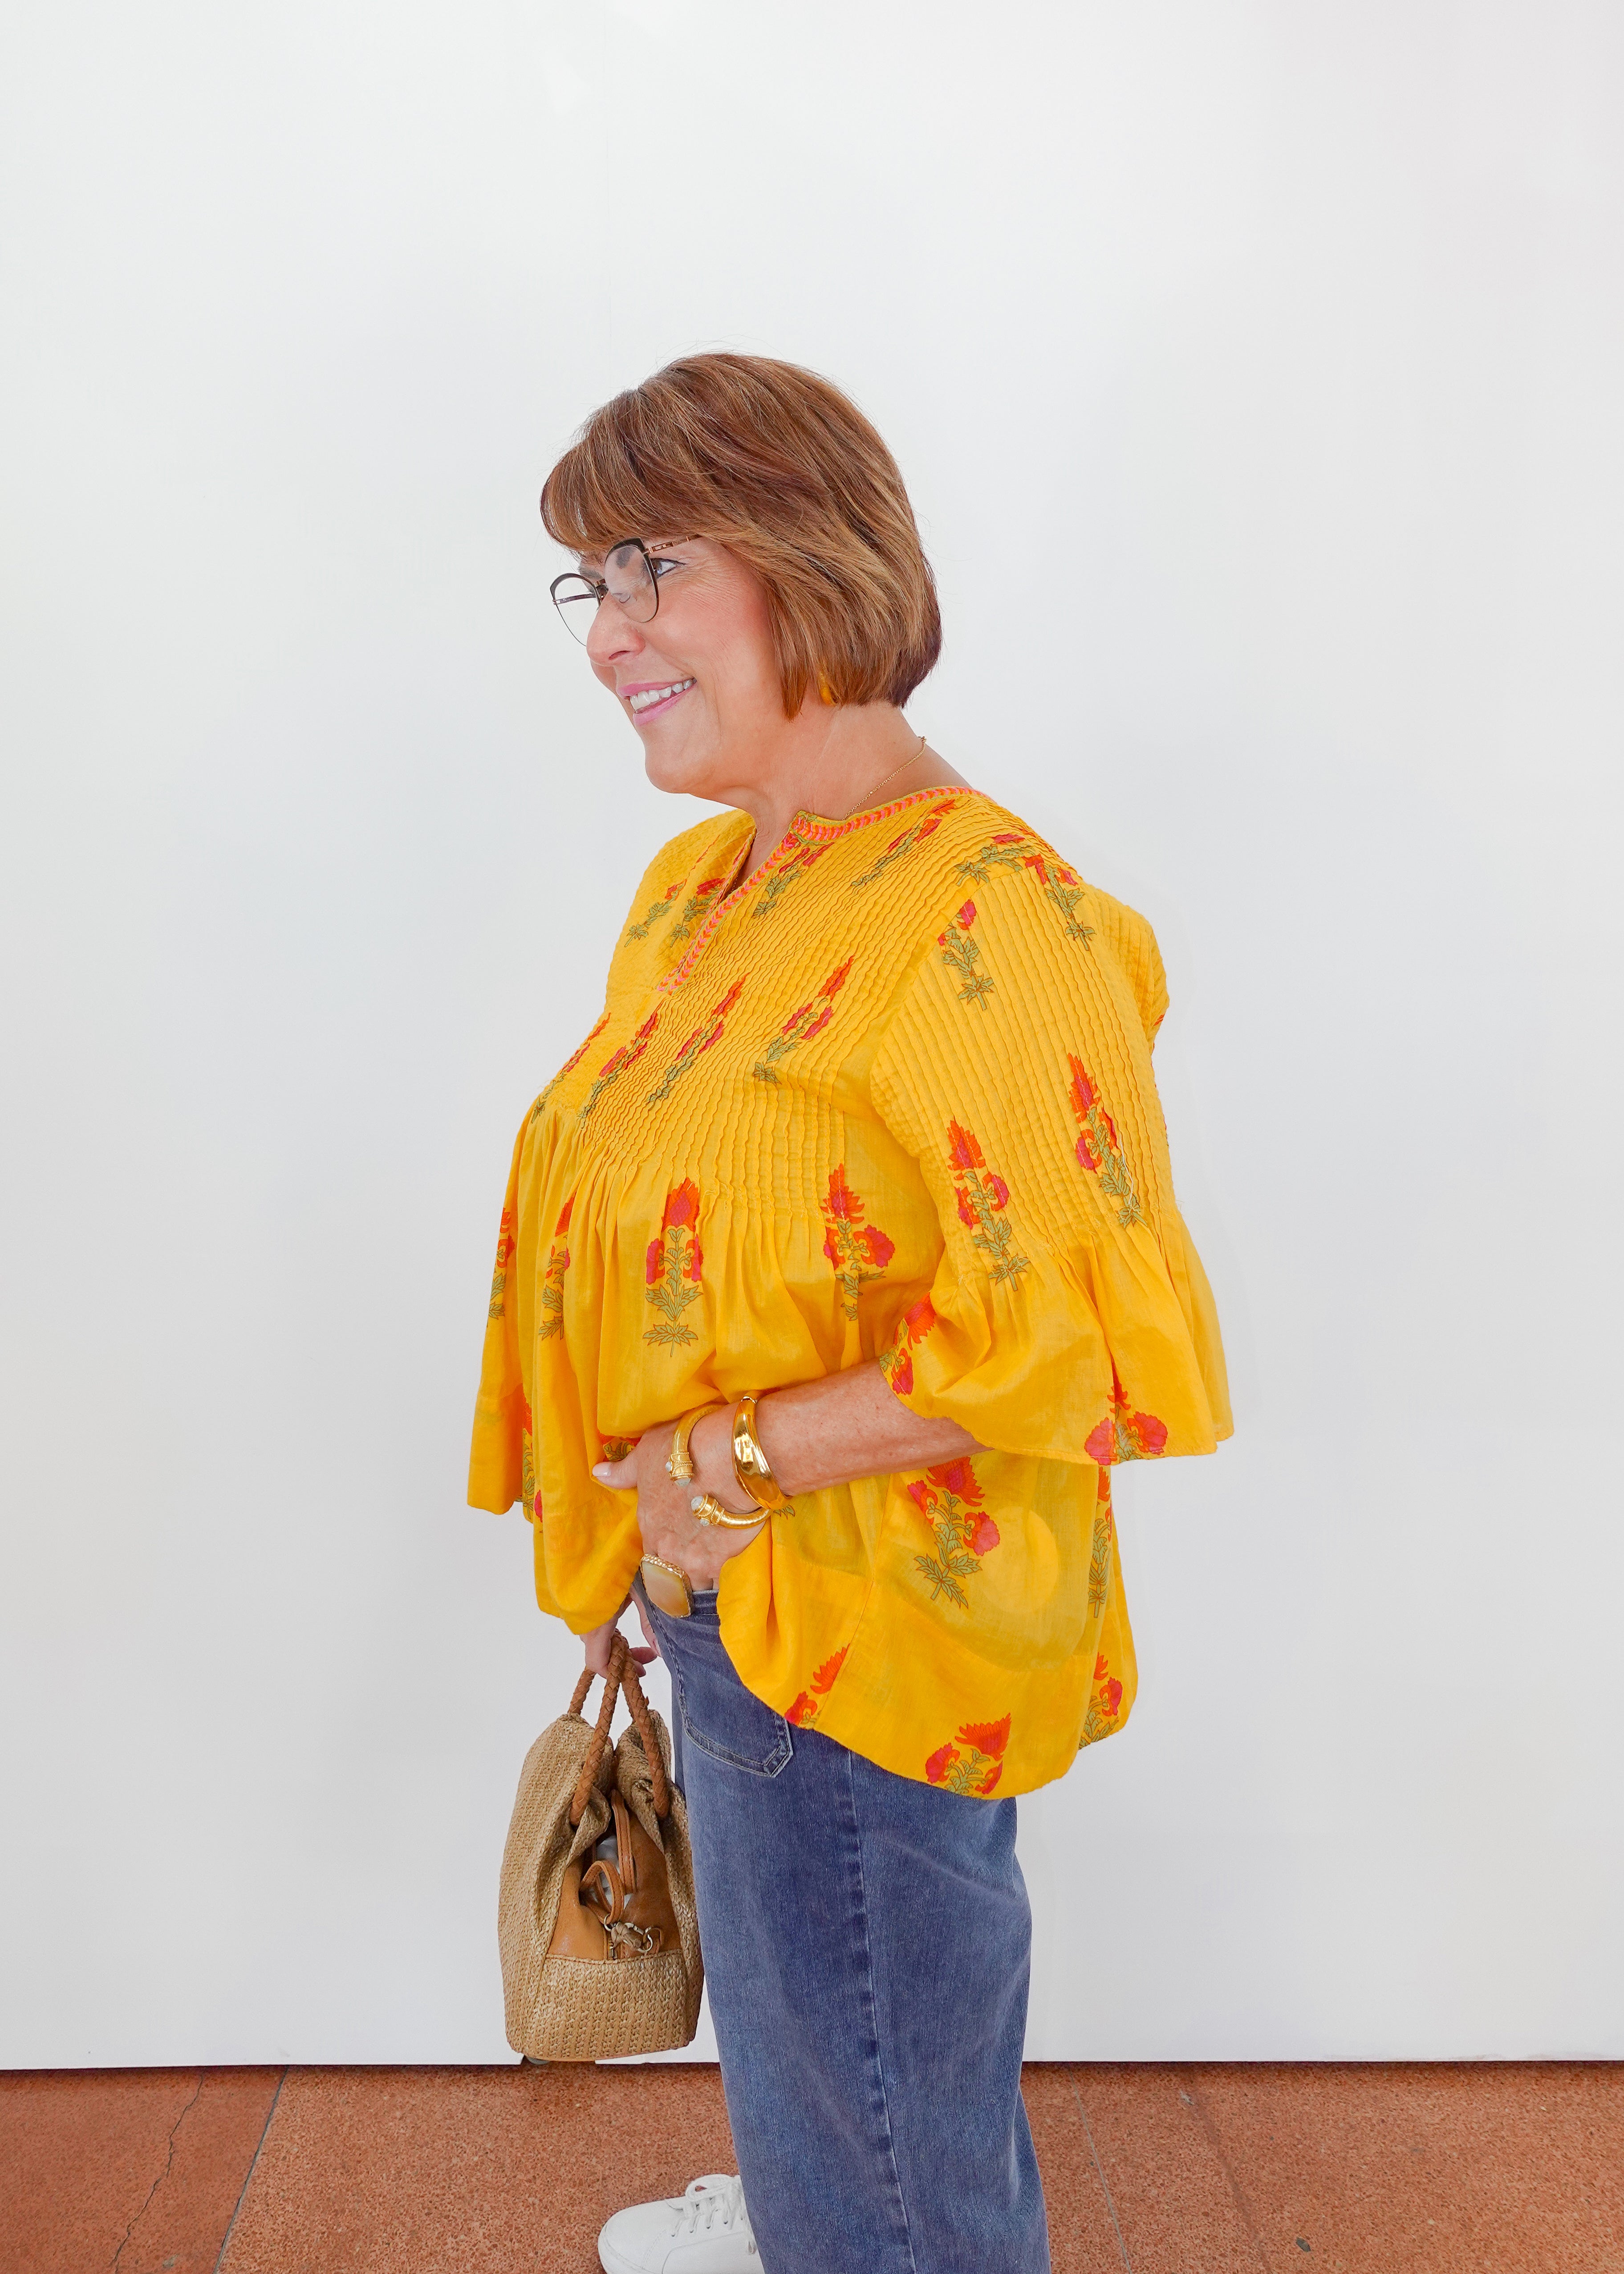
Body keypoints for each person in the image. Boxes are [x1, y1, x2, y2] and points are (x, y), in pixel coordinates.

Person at [468, 352, 1230, 2274]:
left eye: (650, 568)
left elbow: (1097, 1342)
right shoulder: (702, 891)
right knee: (830, 2047)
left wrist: (720, 1451)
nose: (608, 635)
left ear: (810, 559)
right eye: (592, 585)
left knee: (890, 2102)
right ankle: (822, 2212)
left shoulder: (998, 922)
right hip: (730, 1590)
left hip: (879, 1622)